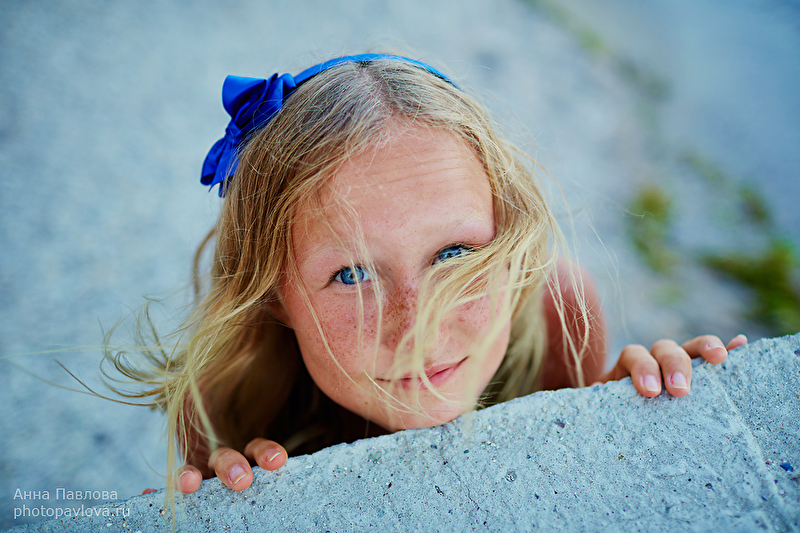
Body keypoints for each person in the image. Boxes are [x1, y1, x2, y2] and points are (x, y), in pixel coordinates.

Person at [120, 54, 747, 497]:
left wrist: (620, 420)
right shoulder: (220, 394)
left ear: (508, 240)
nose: (418, 326)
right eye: (352, 274)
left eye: (453, 255)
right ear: (272, 295)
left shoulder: (560, 313)